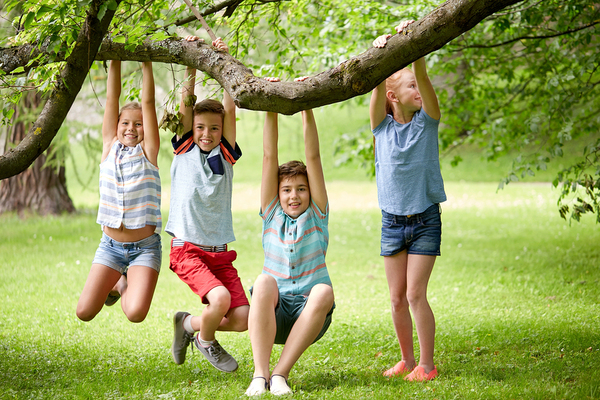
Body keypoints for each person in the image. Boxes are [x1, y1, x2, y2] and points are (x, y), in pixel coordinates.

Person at [245, 77, 335, 397]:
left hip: (310, 315)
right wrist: (271, 106)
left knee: (324, 290)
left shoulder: (317, 215)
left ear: (310, 192)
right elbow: (270, 157)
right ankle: (260, 375)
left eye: (301, 189)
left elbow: (314, 160)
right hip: (276, 311)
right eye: (286, 190)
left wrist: (306, 108)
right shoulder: (271, 215)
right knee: (264, 280)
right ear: (277, 194)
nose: (294, 195)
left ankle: (280, 375)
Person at [370, 20, 446, 382]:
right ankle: (406, 359)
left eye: (418, 84)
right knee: (397, 298)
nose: (418, 89)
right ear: (393, 96)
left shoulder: (426, 123)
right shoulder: (381, 128)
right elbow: (373, 85)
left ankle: (427, 365)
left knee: (416, 294)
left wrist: (414, 51)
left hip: (425, 220)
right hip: (392, 222)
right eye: (410, 86)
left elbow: (427, 86)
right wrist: (381, 54)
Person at [168, 36, 249, 374]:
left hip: (218, 251)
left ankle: (188, 326)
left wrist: (225, 62)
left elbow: (230, 110)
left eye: (214, 128)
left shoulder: (226, 154)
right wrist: (192, 62)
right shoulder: (185, 149)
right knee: (220, 301)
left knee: (243, 318)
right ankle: (206, 340)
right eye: (201, 127)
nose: (207, 133)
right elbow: (188, 103)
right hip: (187, 248)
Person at [76, 60, 162, 323]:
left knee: (135, 314)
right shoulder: (108, 146)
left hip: (144, 248)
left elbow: (148, 103)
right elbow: (111, 97)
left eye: (138, 124)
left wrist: (146, 63)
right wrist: (114, 59)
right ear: (116, 125)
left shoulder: (149, 152)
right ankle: (119, 281)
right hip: (110, 247)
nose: (131, 129)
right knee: (85, 312)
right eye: (125, 123)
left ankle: (123, 283)